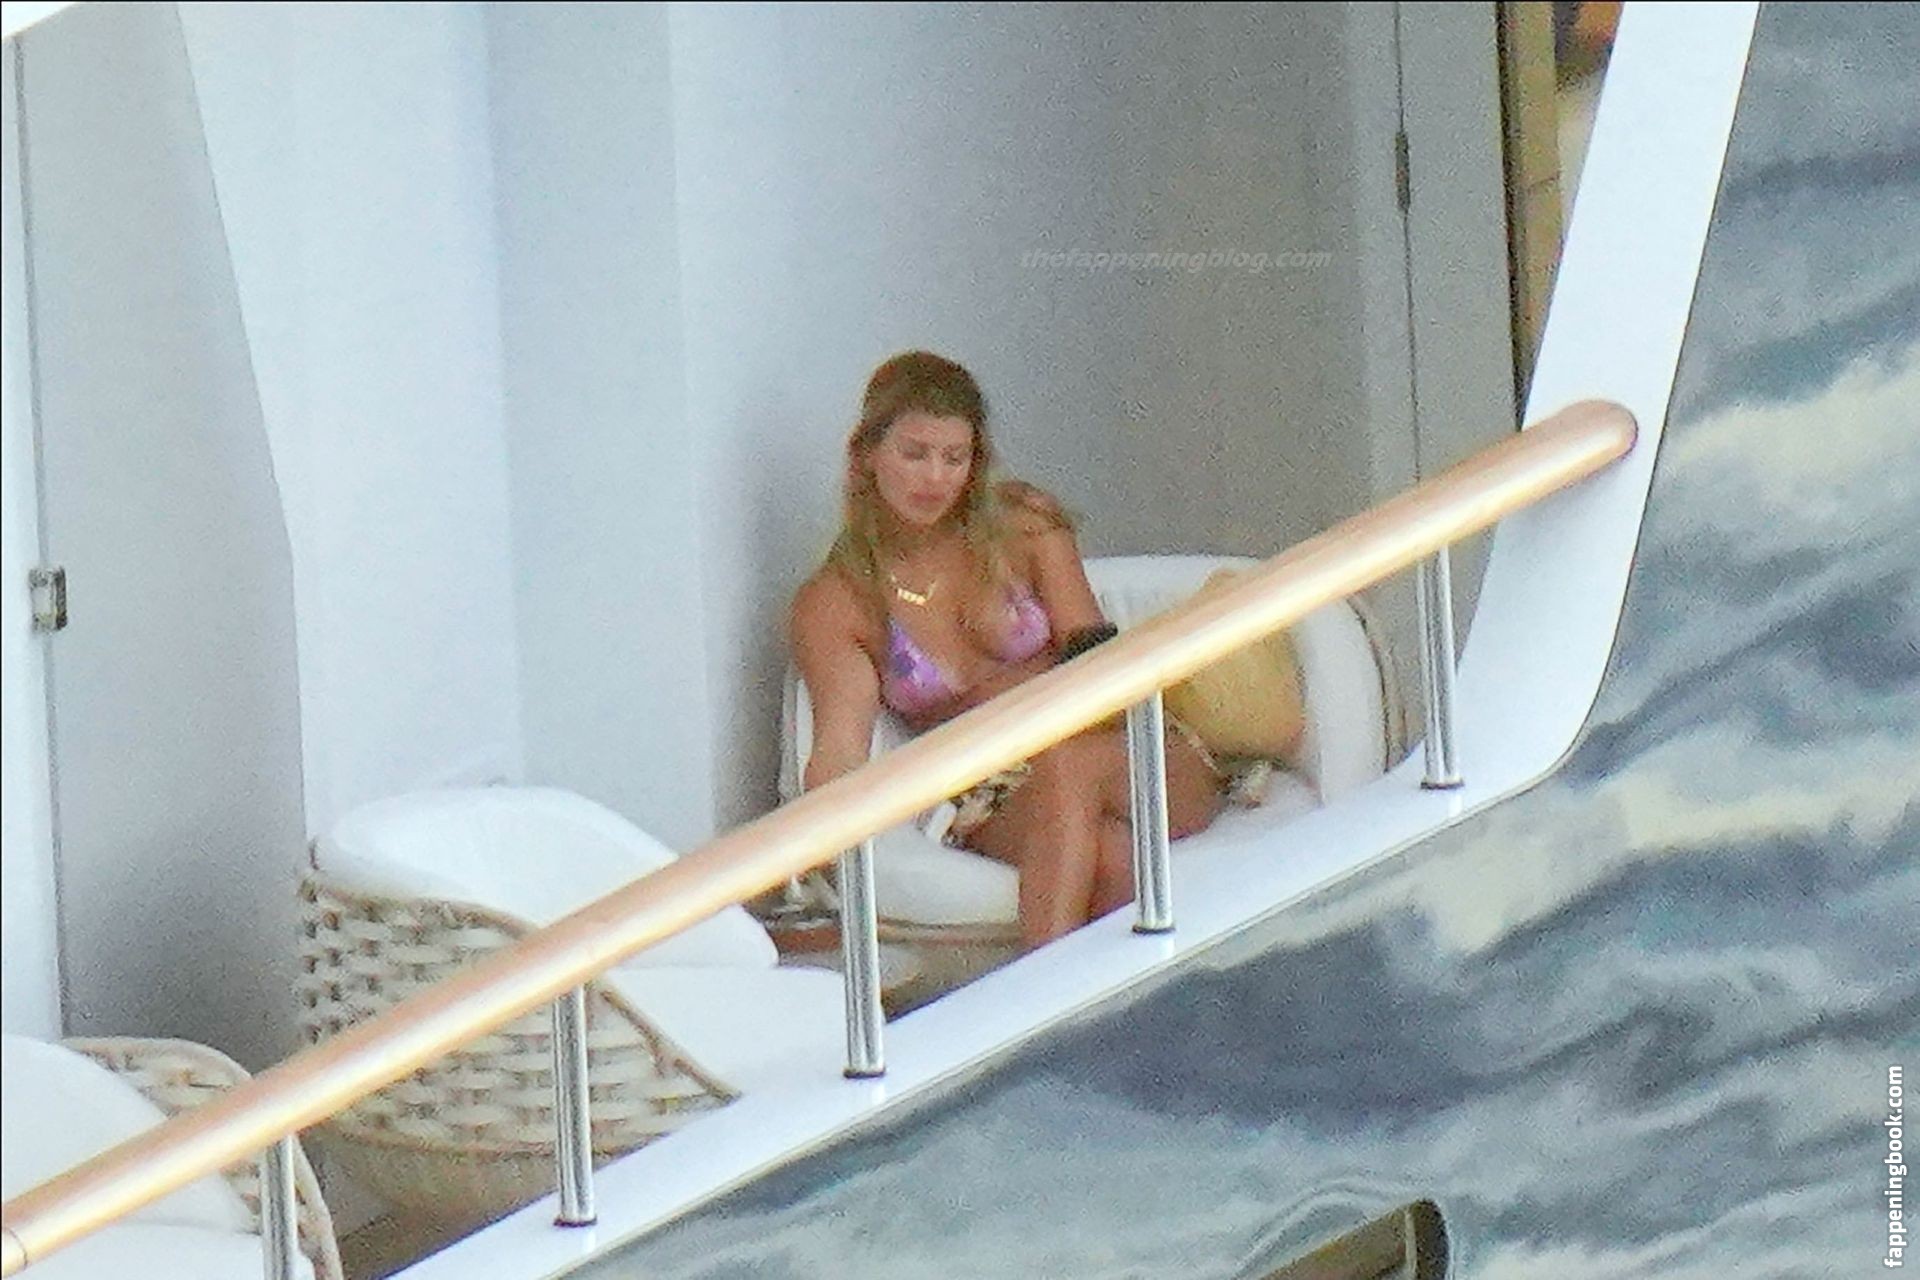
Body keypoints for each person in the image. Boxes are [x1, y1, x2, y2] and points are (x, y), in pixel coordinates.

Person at [790, 351, 1223, 949]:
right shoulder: (839, 600)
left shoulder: (1024, 525)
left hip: (1113, 745)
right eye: (914, 453)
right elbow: (839, 750)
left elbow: (1094, 657)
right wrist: (812, 842)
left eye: (955, 457)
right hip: (994, 790)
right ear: (866, 455)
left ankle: (1038, 1000)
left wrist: (1047, 719)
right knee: (1112, 860)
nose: (935, 478)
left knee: (1070, 764)